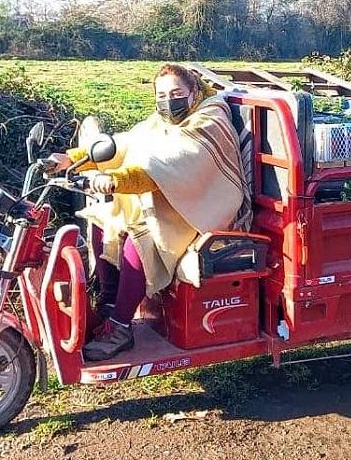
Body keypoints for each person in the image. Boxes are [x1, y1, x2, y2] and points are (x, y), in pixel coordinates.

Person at [52, 64, 251, 361]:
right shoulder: (161, 121)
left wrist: (118, 180)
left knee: (141, 237)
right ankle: (108, 305)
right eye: (162, 95)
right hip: (173, 199)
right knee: (106, 221)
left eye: (176, 93)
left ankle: (120, 328)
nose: (169, 101)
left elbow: (178, 163)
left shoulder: (211, 119)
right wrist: (72, 159)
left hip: (205, 207)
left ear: (194, 92)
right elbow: (124, 143)